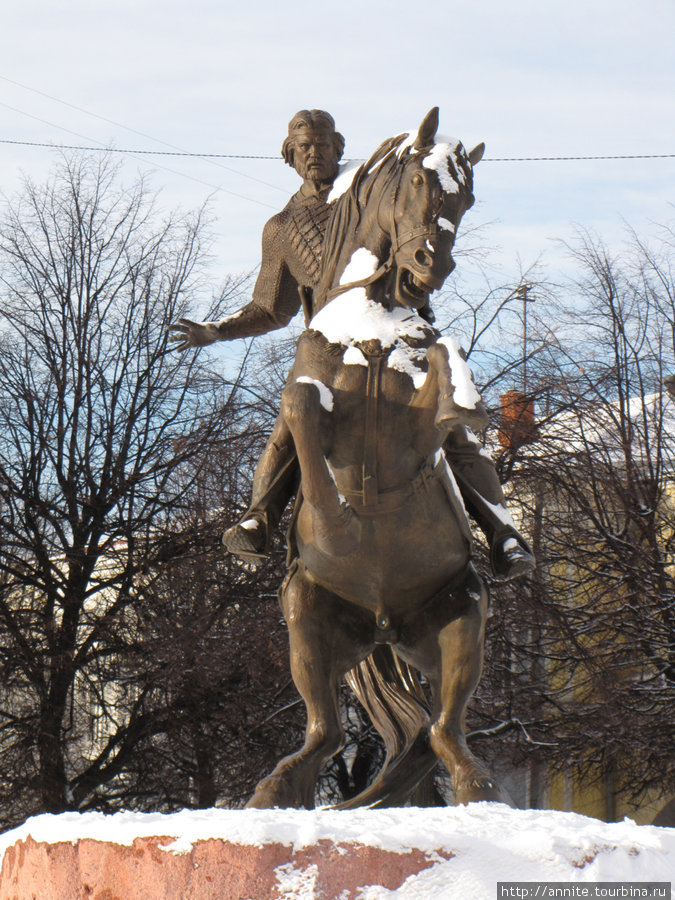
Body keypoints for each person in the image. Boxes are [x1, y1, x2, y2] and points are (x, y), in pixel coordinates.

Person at [169, 110, 534, 579]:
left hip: (397, 326)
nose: (314, 153)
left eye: (323, 144)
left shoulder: (369, 187)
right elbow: (271, 308)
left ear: (339, 148)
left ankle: (502, 534)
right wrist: (218, 330)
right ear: (289, 156)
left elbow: (419, 204)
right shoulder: (281, 228)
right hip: (330, 338)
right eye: (303, 147)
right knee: (292, 415)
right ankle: (260, 516)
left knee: (455, 426)